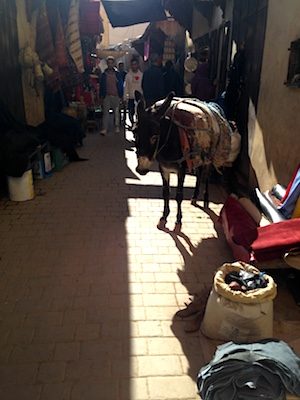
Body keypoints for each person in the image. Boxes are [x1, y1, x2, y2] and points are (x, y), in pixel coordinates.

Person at [100, 56, 123, 135]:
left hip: (116, 95)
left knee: (116, 112)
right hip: (107, 96)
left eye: (111, 63)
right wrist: (101, 96)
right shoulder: (103, 75)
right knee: (105, 113)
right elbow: (101, 86)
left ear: (113, 64)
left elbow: (120, 85)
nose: (110, 64)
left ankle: (116, 126)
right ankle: (105, 128)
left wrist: (121, 95)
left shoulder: (117, 74)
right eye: (108, 63)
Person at [124, 58, 143, 125]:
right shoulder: (128, 76)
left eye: (135, 64)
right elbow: (126, 86)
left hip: (139, 97)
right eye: (132, 64)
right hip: (131, 97)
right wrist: (125, 97)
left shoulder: (141, 75)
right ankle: (132, 124)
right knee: (131, 112)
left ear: (137, 65)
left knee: (139, 112)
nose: (134, 66)